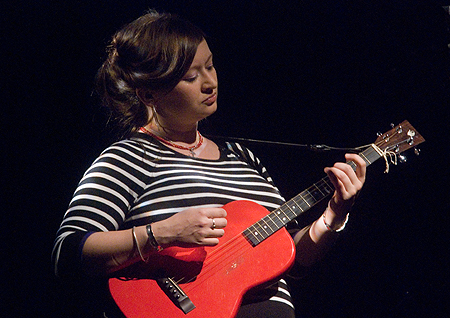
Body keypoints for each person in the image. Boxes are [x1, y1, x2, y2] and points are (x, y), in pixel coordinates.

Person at [52, 10, 366, 318]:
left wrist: (334, 216)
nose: (209, 82)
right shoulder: (128, 157)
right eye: (191, 76)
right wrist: (162, 232)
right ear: (148, 94)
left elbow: (290, 259)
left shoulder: (243, 157)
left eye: (210, 66)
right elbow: (68, 253)